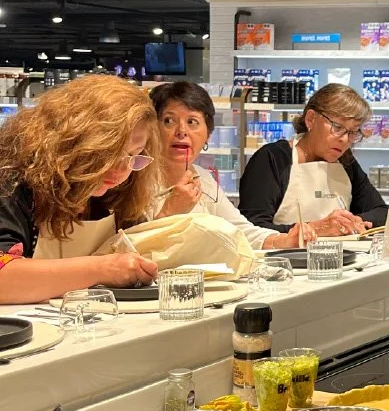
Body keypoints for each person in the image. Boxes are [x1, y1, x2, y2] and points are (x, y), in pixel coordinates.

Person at [0, 75, 161, 304]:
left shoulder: (117, 193)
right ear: (71, 141)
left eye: (133, 156)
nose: (120, 170)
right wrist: (102, 268)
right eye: (108, 155)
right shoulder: (12, 180)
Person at [150, 81, 313, 249]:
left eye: (192, 122)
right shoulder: (137, 182)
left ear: (208, 135)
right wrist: (170, 211)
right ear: (152, 129)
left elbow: (239, 230)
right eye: (169, 120)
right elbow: (130, 248)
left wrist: (284, 240)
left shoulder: (203, 180)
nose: (181, 131)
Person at [239, 84, 387, 236]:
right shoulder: (272, 159)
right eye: (337, 127)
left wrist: (354, 221)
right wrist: (317, 229)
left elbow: (382, 212)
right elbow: (252, 229)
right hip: (285, 258)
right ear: (311, 119)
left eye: (353, 132)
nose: (345, 140)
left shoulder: (346, 162)